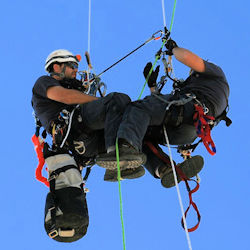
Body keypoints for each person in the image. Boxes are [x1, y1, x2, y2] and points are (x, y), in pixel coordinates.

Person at [31, 49, 146, 241]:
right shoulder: (43, 82)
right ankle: (115, 157)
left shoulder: (74, 89)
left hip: (86, 145)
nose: (76, 70)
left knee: (132, 118)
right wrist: (102, 102)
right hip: (73, 131)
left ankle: (162, 168)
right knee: (117, 100)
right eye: (72, 66)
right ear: (57, 67)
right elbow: (65, 97)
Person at [97, 38, 230, 188]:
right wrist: (153, 87)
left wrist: (174, 48)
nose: (190, 73)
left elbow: (186, 57)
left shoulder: (216, 74)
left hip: (186, 112)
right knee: (142, 133)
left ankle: (123, 152)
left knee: (136, 109)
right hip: (187, 131)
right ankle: (164, 169)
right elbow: (157, 112)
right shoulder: (208, 92)